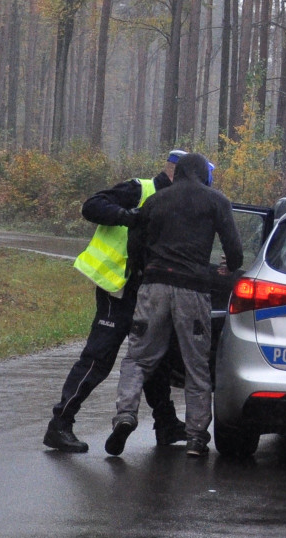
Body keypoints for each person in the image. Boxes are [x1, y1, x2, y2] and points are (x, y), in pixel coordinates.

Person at [43, 152, 192, 453]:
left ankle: (166, 424)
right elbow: (91, 206)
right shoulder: (140, 189)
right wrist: (129, 218)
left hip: (150, 293)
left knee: (154, 359)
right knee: (98, 358)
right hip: (119, 289)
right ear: (174, 171)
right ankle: (59, 424)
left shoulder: (179, 203)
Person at [107, 150, 244, 457]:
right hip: (192, 291)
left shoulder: (155, 201)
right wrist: (228, 267)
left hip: (153, 287)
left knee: (138, 358)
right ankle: (196, 438)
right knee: (197, 367)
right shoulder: (216, 201)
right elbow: (234, 250)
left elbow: (135, 244)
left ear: (178, 173)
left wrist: (148, 268)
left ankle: (125, 415)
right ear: (204, 175)